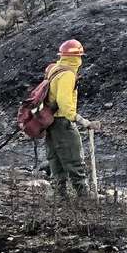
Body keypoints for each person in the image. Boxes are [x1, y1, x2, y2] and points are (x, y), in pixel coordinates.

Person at [44, 39, 97, 199]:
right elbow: (64, 103)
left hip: (50, 123)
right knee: (73, 157)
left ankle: (60, 195)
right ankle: (83, 196)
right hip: (62, 122)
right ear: (77, 58)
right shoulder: (67, 74)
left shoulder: (54, 69)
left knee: (55, 159)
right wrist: (81, 120)